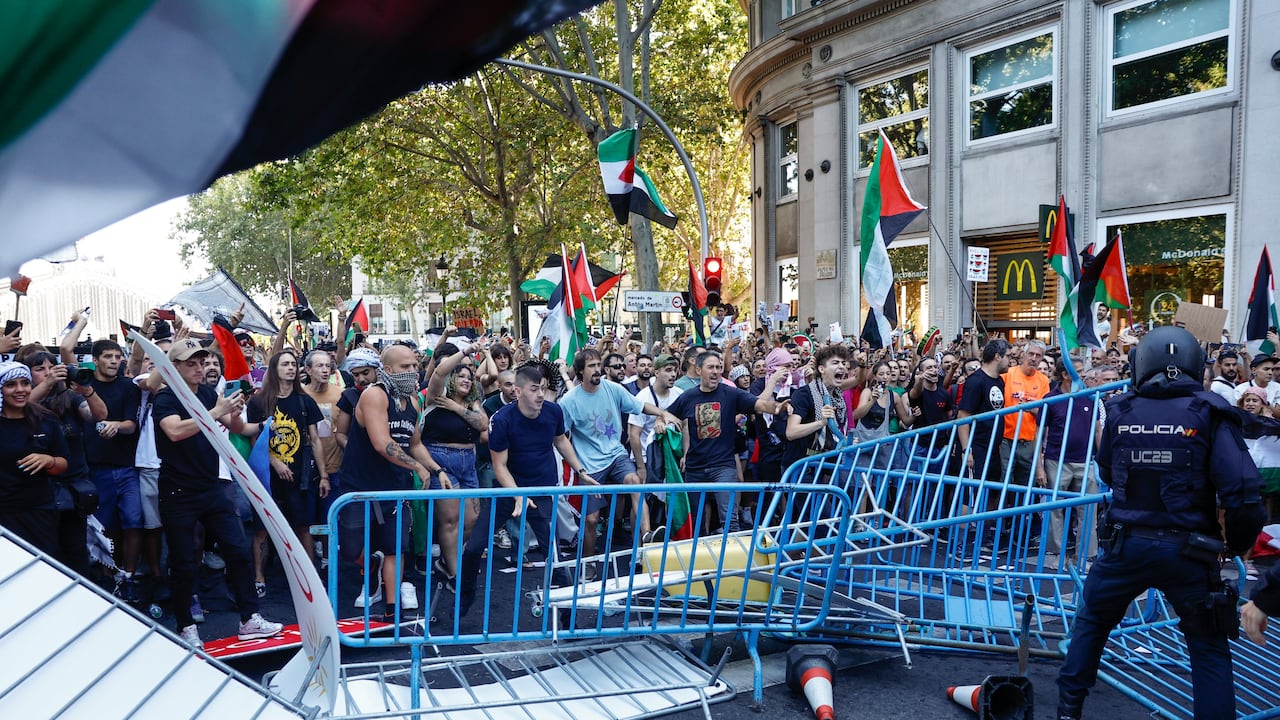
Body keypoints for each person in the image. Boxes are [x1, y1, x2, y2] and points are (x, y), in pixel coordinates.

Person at [1056, 326, 1265, 720]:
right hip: (1188, 552)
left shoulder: (1121, 410)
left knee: (1091, 626)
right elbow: (1245, 493)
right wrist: (1233, 546)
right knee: (1208, 649)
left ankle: (1068, 711)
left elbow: (1105, 470)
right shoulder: (1208, 411)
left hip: (1125, 547)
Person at [152, 339, 283, 649]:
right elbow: (174, 431)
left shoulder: (210, 394)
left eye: (202, 362)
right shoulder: (166, 398)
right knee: (184, 561)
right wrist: (216, 411)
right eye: (191, 363)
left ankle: (249, 618)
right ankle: (186, 626)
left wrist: (247, 417)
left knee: (238, 550)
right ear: (175, 367)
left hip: (213, 487)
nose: (199, 368)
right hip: (178, 492)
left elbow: (238, 428)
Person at [456, 364, 597, 615]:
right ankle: (465, 595)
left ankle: (567, 616)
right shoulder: (502, 419)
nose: (540, 394)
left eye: (542, 388)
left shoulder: (553, 412)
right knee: (475, 547)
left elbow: (561, 441)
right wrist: (517, 494)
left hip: (543, 490)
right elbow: (499, 465)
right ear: (518, 392)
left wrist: (581, 471)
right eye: (534, 389)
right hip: (506, 491)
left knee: (553, 555)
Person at [339, 344, 448, 618]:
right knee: (351, 549)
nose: (413, 371)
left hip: (395, 486)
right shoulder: (374, 395)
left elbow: (415, 443)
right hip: (360, 485)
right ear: (387, 370)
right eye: (405, 367)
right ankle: (370, 567)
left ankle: (391, 610)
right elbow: (381, 442)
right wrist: (416, 468)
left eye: (414, 365)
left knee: (394, 548)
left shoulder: (413, 401)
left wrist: (435, 470)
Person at [560, 349, 680, 556]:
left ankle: (646, 537)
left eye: (599, 365)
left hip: (615, 455)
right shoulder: (569, 401)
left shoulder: (613, 389)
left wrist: (663, 412)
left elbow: (640, 406)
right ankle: (588, 563)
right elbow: (560, 438)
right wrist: (579, 470)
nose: (597, 370)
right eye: (591, 366)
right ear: (580, 371)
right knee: (591, 520)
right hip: (589, 464)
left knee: (634, 481)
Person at [667, 352, 788, 533]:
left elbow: (759, 404)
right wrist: (662, 422)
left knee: (730, 521)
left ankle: (732, 560)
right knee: (697, 521)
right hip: (695, 467)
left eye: (718, 367)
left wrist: (778, 407)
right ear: (699, 370)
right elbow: (668, 414)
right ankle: (698, 558)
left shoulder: (731, 393)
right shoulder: (687, 397)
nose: (715, 371)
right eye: (711, 367)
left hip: (723, 466)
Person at [246, 349, 329, 594]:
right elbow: (254, 441)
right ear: (274, 369)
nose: (291, 368)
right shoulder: (259, 402)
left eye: (294, 364)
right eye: (285, 364)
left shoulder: (305, 401)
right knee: (261, 530)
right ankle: (259, 579)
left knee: (303, 526)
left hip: (299, 477)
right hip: (266, 476)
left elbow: (315, 440)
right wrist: (275, 462)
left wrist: (323, 476)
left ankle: (310, 577)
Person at [25, 351, 107, 574]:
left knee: (75, 548)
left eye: (52, 367)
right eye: (40, 369)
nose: (48, 373)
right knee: (45, 550)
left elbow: (98, 415)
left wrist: (87, 390)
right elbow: (23, 407)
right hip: (38, 490)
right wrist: (48, 383)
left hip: (74, 486)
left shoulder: (70, 396)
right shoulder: (22, 399)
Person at [421, 346, 488, 582]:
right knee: (450, 520)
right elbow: (438, 373)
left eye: (470, 378)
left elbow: (482, 425)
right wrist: (466, 351)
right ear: (452, 378)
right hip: (441, 460)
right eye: (461, 375)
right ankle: (455, 573)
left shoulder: (471, 402)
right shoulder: (436, 396)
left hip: (468, 462)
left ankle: (447, 557)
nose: (467, 380)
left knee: (472, 519)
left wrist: (457, 408)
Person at [0, 361, 70, 556]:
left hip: (39, 509)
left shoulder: (46, 419)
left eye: (25, 383)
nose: (20, 389)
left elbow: (64, 463)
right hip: (4, 513)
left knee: (44, 568)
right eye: (11, 384)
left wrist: (48, 461)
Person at [1037, 356, 1098, 568]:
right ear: (1065, 374)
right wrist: (1039, 467)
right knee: (1055, 509)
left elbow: (1097, 429)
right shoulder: (1050, 399)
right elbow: (1039, 434)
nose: (1084, 375)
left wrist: (1101, 461)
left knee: (1088, 508)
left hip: (1084, 460)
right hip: (1056, 460)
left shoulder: (1090, 397)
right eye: (1079, 371)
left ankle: (1084, 557)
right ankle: (1058, 554)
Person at [784, 344, 850, 467]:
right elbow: (791, 432)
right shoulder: (804, 394)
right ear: (821, 369)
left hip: (825, 466)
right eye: (835, 363)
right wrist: (821, 422)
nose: (841, 366)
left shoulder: (838, 398)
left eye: (843, 363)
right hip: (801, 468)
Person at [957, 340, 1009, 484]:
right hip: (977, 446)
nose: (1010, 361)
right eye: (1008, 356)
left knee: (992, 493)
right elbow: (963, 416)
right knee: (971, 496)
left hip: (994, 448)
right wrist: (966, 450)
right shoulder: (975, 381)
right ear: (998, 356)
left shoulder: (999, 381)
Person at [1000, 340, 1050, 486]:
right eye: (1031, 354)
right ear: (1023, 355)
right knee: (1004, 480)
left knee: (1025, 483)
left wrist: (1031, 409)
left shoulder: (1043, 380)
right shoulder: (1008, 374)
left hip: (1029, 441)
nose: (1034, 358)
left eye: (1038, 356)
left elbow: (1045, 411)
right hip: (1005, 438)